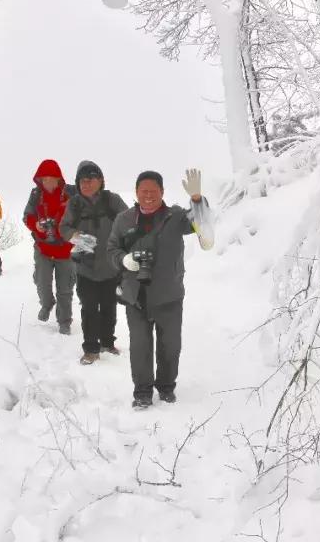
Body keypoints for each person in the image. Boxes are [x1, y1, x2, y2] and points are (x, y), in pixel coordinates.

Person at [108, 168, 214, 409]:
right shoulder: (123, 219)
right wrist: (124, 260)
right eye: (143, 191)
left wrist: (197, 199)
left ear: (162, 192)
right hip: (136, 295)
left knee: (170, 346)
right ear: (136, 192)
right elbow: (111, 250)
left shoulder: (176, 217)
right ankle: (142, 392)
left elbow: (204, 227)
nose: (148, 196)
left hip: (169, 295)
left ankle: (166, 387)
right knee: (140, 347)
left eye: (153, 191)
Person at [60, 161, 129, 365]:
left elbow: (128, 221)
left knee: (109, 307)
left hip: (110, 266)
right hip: (86, 268)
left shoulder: (112, 200)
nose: (86, 184)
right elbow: (63, 227)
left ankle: (107, 342)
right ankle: (91, 349)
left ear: (100, 181)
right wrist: (76, 236)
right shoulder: (74, 204)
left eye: (90, 180)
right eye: (82, 181)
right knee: (89, 308)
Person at [23, 159, 75, 334]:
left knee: (65, 289)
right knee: (42, 283)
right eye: (43, 179)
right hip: (43, 248)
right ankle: (47, 303)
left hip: (65, 249)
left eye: (51, 178)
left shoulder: (70, 195)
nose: (47, 182)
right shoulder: (36, 195)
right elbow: (27, 216)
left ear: (58, 178)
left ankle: (64, 322)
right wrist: (36, 225)